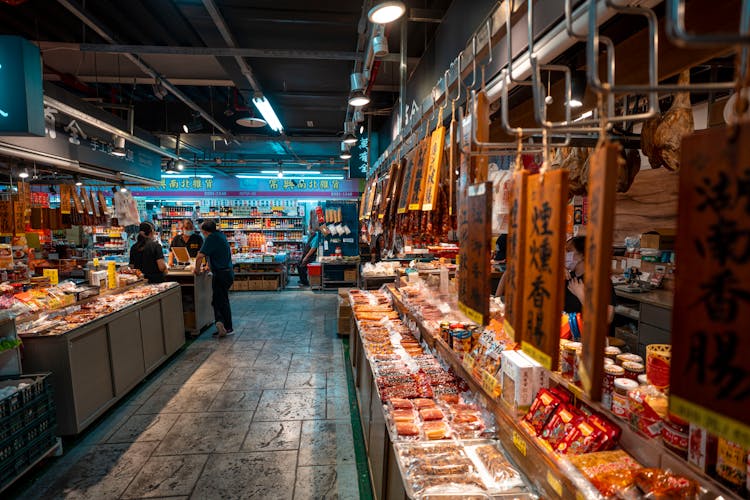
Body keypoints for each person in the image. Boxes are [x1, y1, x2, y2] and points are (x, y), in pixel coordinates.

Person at [194, 220, 234, 337]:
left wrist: (197, 270)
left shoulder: (211, 238)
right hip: (227, 272)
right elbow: (215, 254)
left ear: (206, 231)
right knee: (221, 300)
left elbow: (199, 256)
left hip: (221, 274)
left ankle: (225, 326)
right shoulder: (220, 235)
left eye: (202, 231)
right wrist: (208, 266)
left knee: (219, 301)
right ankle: (223, 324)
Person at [564, 236, 615, 322]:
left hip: (588, 333)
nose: (565, 255)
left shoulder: (600, 281)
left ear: (582, 255)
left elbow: (608, 318)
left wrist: (582, 296)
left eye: (569, 251)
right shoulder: (567, 277)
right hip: (567, 333)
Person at [298, 220, 321, 287]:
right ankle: (303, 280)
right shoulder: (312, 235)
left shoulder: (316, 237)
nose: (308, 229)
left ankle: (305, 282)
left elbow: (313, 248)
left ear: (312, 229)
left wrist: (306, 257)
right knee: (299, 265)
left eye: (309, 228)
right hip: (306, 254)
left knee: (301, 267)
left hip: (310, 256)